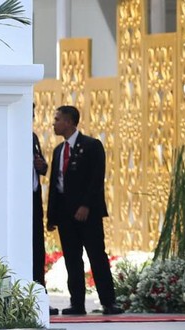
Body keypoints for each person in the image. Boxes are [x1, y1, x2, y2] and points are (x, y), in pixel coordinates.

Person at [46, 105, 123, 315]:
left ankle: (108, 302)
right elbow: (55, 184)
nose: (54, 123)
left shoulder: (91, 145)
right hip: (65, 215)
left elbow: (96, 179)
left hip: (87, 213)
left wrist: (86, 205)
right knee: (72, 258)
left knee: (96, 255)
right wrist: (52, 216)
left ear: (69, 122)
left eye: (57, 119)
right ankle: (77, 303)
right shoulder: (58, 150)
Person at [32, 124, 59, 316]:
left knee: (37, 249)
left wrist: (43, 167)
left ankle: (40, 295)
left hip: (33, 201)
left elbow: (40, 166)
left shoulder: (32, 137)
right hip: (18, 198)